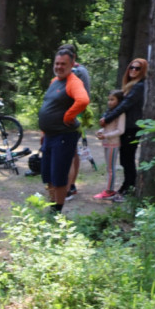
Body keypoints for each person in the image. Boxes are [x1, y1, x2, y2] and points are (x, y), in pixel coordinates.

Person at [37, 49, 89, 214]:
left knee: (59, 175)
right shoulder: (55, 81)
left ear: (72, 64)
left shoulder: (73, 81)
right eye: (57, 63)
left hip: (64, 136)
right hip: (50, 135)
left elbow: (83, 100)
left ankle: (56, 211)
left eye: (63, 64)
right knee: (47, 174)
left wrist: (68, 116)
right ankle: (52, 204)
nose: (59, 67)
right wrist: (43, 132)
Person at [101, 58, 147, 197]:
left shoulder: (139, 86)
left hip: (132, 127)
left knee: (127, 158)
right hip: (127, 126)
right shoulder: (130, 85)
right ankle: (128, 185)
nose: (133, 70)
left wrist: (107, 119)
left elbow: (125, 105)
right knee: (125, 158)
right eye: (131, 67)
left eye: (137, 68)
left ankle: (129, 187)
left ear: (142, 71)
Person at [59, 44, 91, 200]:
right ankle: (71, 185)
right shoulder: (80, 71)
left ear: (72, 59)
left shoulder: (78, 72)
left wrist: (68, 116)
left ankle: (69, 187)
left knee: (69, 154)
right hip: (74, 117)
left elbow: (82, 98)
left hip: (73, 118)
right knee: (73, 153)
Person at [94, 90, 126, 202]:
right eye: (109, 99)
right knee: (108, 168)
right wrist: (100, 131)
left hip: (113, 143)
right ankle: (109, 189)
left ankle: (109, 191)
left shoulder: (120, 113)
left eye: (112, 99)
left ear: (119, 101)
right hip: (106, 143)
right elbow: (107, 127)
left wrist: (106, 135)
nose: (109, 102)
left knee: (111, 169)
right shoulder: (109, 112)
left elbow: (120, 130)